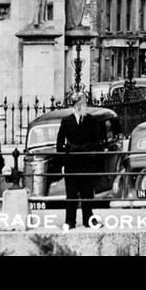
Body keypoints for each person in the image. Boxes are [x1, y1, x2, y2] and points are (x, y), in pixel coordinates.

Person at [56, 94, 103, 229]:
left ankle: (89, 220)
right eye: (84, 105)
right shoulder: (66, 121)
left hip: (86, 163)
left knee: (87, 193)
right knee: (71, 193)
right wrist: (65, 160)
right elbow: (59, 144)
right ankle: (70, 221)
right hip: (71, 164)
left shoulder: (92, 121)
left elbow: (96, 142)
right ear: (77, 107)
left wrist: (77, 149)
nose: (86, 108)